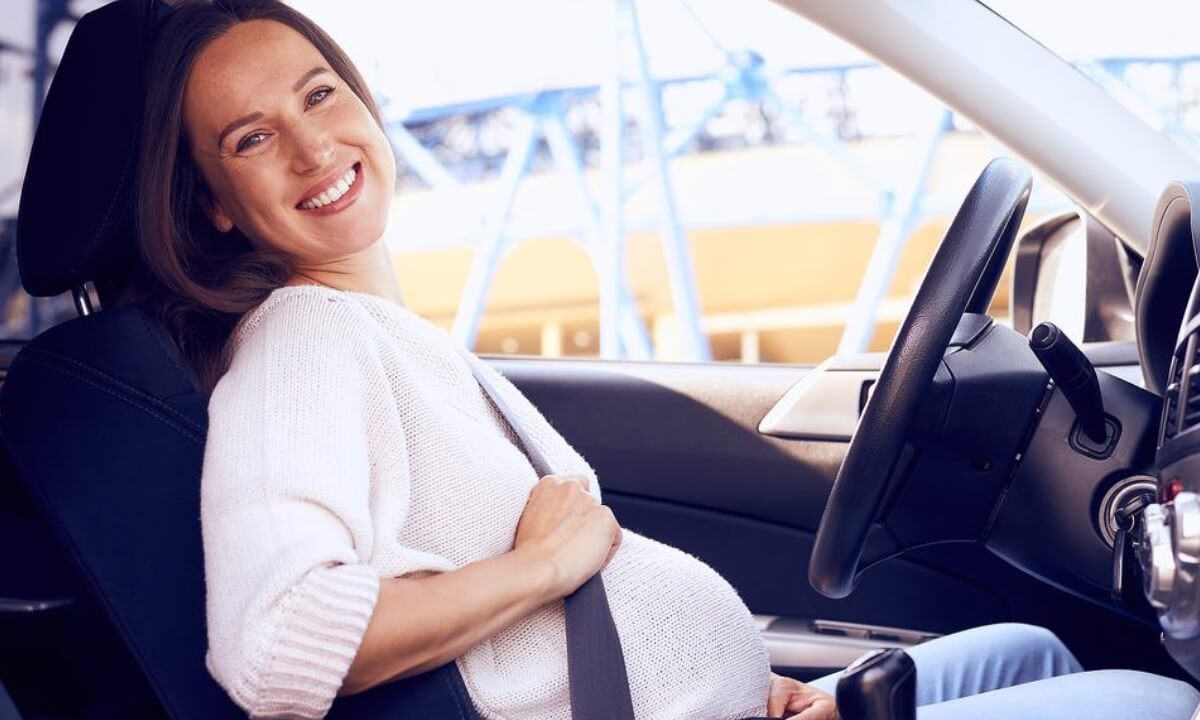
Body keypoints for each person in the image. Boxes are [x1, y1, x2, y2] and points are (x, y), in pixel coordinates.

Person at [126, 1, 1200, 718]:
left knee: (1037, 655)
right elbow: (273, 647)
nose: (314, 146)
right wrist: (541, 565)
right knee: (1160, 705)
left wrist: (752, 679)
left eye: (319, 94)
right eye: (250, 138)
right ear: (216, 209)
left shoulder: (389, 340)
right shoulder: (304, 344)